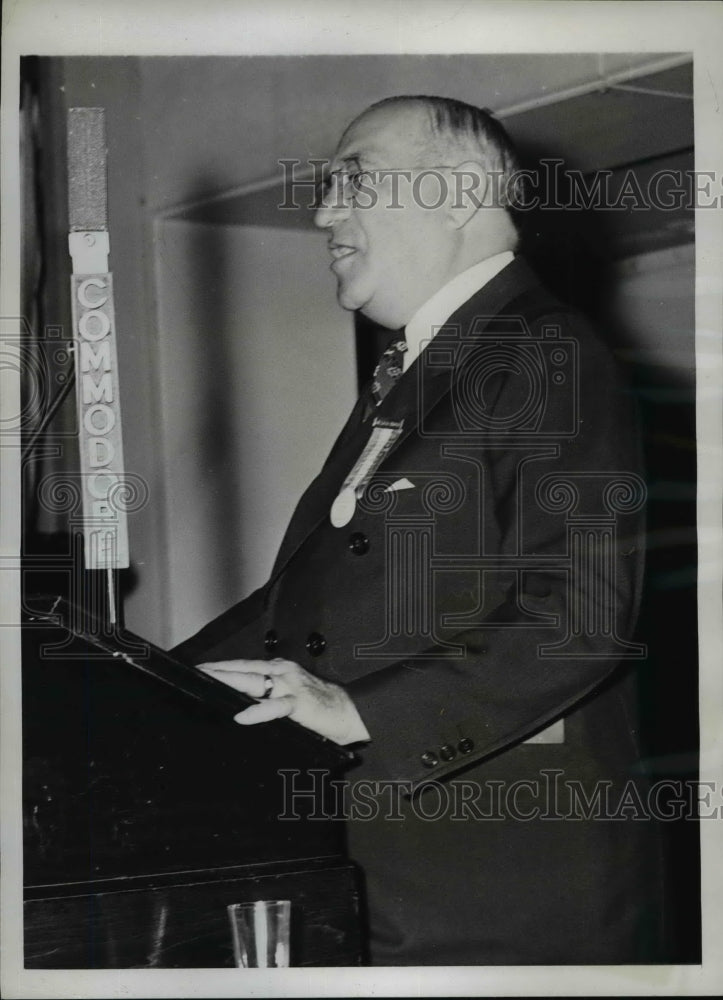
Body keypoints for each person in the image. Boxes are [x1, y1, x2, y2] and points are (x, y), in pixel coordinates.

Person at [172, 96, 664, 965]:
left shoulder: (543, 350)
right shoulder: (426, 367)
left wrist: (356, 710)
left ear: (459, 191)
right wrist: (134, 689)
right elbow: (302, 606)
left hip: (498, 893)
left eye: (351, 181)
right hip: (398, 870)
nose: (322, 214)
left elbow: (577, 615)